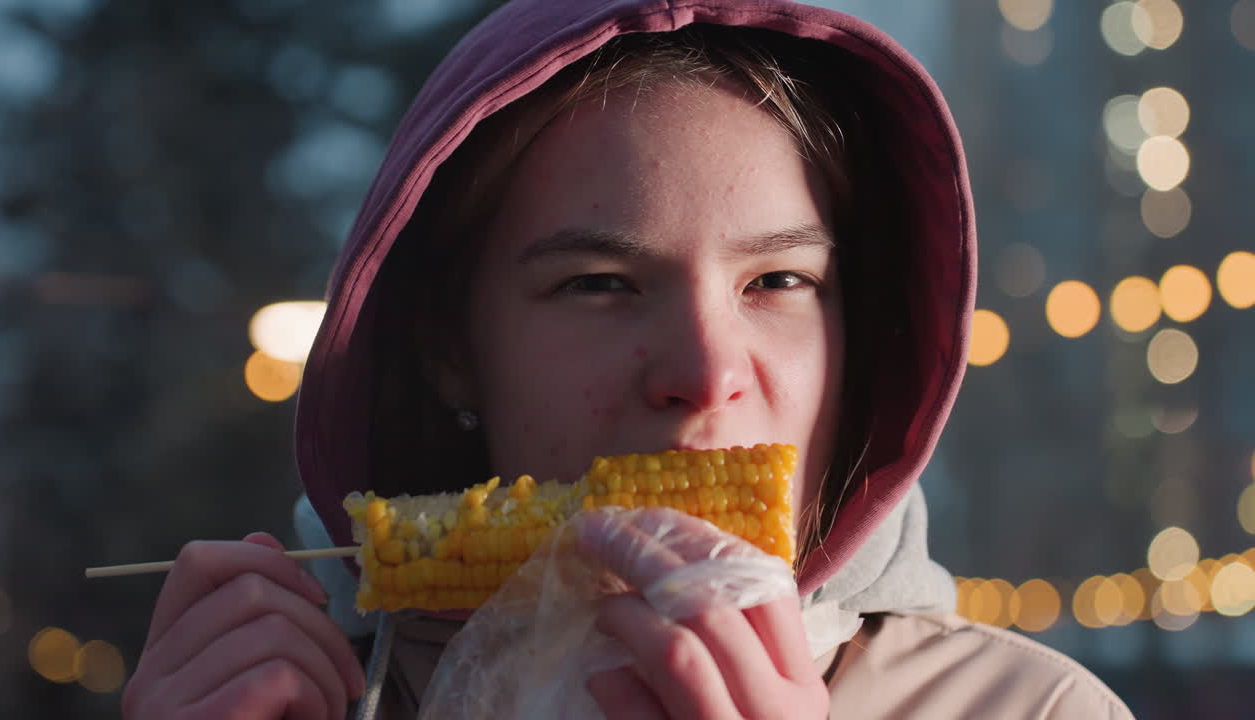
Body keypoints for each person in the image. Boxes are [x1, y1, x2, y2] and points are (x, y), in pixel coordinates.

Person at [123, 1, 1137, 718]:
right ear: (446, 352)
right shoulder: (290, 700)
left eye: (778, 283)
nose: (702, 373)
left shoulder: (1032, 712)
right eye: (598, 284)